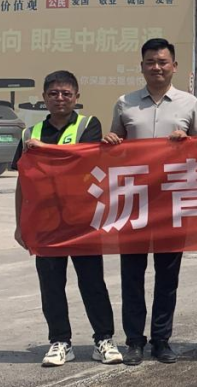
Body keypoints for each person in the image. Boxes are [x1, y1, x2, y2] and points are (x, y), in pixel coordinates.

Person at [102, 38, 197, 365]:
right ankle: (134, 341)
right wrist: (111, 141)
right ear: (142, 67)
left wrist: (190, 140)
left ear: (174, 66)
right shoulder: (124, 103)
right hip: (134, 201)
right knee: (132, 275)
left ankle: (162, 340)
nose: (157, 68)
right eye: (150, 62)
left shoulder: (189, 103)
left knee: (167, 276)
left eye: (163, 62)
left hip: (172, 201)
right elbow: (114, 148)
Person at [13, 71, 122, 368]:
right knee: (51, 284)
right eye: (53, 94)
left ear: (76, 97)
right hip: (45, 222)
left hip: (82, 221)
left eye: (66, 93)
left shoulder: (89, 125)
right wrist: (20, 224)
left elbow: (78, 159)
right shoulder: (30, 134)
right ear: (44, 98)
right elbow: (23, 182)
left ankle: (103, 339)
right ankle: (60, 341)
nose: (60, 98)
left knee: (92, 282)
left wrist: (44, 151)